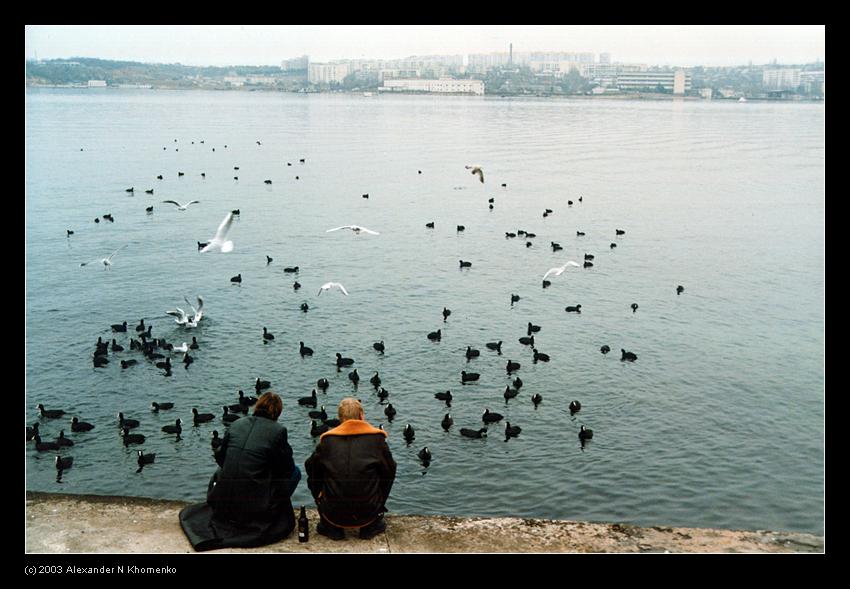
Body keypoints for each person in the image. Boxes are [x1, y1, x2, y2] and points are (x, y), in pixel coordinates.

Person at [179, 391, 300, 551]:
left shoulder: (237, 423)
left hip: (224, 496)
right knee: (296, 472)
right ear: (278, 412)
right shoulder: (278, 431)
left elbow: (220, 457)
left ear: (257, 407)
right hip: (254, 502)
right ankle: (273, 513)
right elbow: (286, 469)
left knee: (226, 469)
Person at [305, 397, 396, 540]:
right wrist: (379, 498)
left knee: (316, 470)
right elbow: (390, 471)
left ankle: (332, 525)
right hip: (368, 512)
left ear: (340, 418)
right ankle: (370, 523)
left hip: (332, 514)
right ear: (361, 416)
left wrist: (319, 495)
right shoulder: (377, 440)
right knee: (385, 470)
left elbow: (310, 468)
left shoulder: (327, 442)